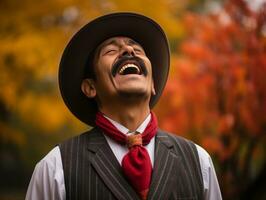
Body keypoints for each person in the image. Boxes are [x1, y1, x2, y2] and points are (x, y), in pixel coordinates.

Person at [26, 12, 222, 200]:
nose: (129, 51)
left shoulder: (198, 162)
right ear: (90, 87)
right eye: (111, 51)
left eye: (137, 50)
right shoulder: (55, 168)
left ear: (152, 83)